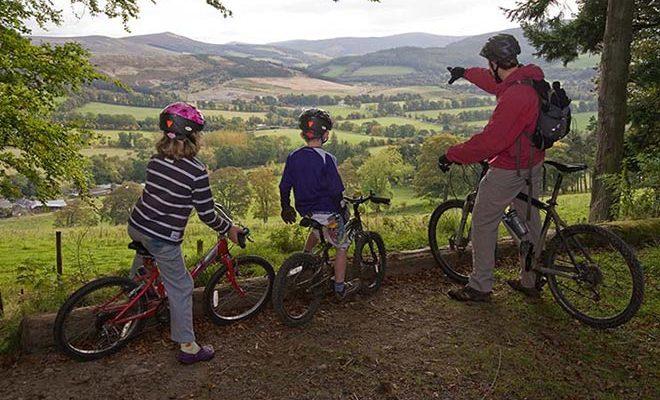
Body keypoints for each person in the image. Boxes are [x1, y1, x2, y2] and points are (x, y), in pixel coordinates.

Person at [128, 101, 243, 364]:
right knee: (182, 286)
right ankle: (188, 347)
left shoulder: (155, 161)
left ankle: (137, 288)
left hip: (136, 225)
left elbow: (164, 194)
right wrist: (230, 228)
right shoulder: (196, 170)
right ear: (192, 136)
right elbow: (206, 214)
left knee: (147, 248)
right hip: (161, 237)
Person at [440, 34, 545, 302]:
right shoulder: (526, 79)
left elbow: (491, 142)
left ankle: (480, 285)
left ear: (496, 62)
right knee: (531, 222)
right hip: (533, 162)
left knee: (484, 220)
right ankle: (531, 279)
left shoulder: (516, 96)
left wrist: (453, 155)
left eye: (489, 63)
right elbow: (493, 83)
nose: (488, 68)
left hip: (512, 167)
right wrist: (465, 73)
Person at [279, 108, 356, 300]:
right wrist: (342, 210)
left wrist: (285, 207)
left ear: (303, 134)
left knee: (316, 228)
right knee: (342, 245)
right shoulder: (327, 159)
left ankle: (306, 258)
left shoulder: (293, 156)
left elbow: (284, 185)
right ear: (325, 135)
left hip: (306, 210)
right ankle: (340, 288)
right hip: (327, 213)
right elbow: (336, 190)